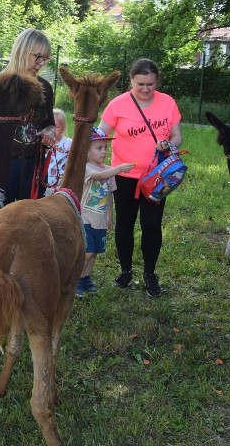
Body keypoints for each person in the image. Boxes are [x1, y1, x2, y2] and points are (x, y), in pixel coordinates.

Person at [99, 58, 182, 298]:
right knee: (125, 224)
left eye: (150, 84)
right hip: (125, 175)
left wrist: (170, 144)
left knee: (152, 225)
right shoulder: (118, 105)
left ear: (157, 82)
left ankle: (150, 273)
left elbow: (178, 136)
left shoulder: (167, 103)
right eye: (140, 84)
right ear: (131, 82)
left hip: (157, 177)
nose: (145, 89)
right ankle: (125, 272)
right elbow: (100, 135)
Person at [0, 28, 56, 202]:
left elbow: (49, 124)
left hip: (33, 167)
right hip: (1, 167)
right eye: (38, 56)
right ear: (22, 51)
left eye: (46, 58)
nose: (42, 63)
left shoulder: (45, 88)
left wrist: (49, 133)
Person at [77, 128, 134, 298]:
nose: (104, 152)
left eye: (105, 148)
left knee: (94, 253)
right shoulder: (86, 168)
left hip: (100, 219)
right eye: (99, 148)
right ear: (87, 151)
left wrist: (110, 216)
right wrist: (120, 168)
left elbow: (109, 194)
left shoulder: (110, 170)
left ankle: (86, 278)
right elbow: (100, 175)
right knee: (86, 252)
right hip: (85, 218)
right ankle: (76, 281)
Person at [43, 108, 72, 196]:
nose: (53, 130)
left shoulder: (67, 143)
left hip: (61, 184)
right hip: (46, 184)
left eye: (57, 126)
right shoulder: (43, 145)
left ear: (64, 127)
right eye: (50, 127)